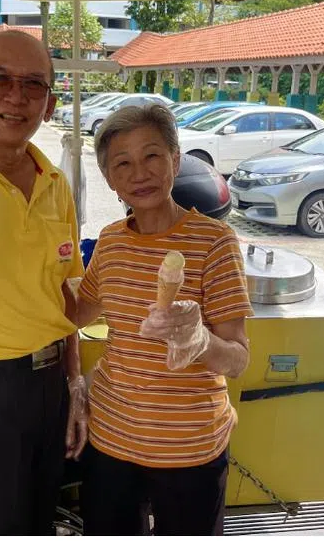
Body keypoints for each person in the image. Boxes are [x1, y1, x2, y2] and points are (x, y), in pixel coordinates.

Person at [70, 102, 253, 535]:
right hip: (111, 441)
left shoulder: (215, 242)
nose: (140, 173)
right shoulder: (111, 242)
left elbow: (239, 359)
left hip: (190, 450)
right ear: (110, 180)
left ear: (175, 159)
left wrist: (201, 343)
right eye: (123, 163)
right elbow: (72, 315)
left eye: (152, 155)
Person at [0, 29, 88, 533]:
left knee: (37, 519)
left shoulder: (57, 186)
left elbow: (65, 298)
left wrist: (76, 386)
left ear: (49, 105)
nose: (16, 96)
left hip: (50, 386)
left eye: (34, 84)